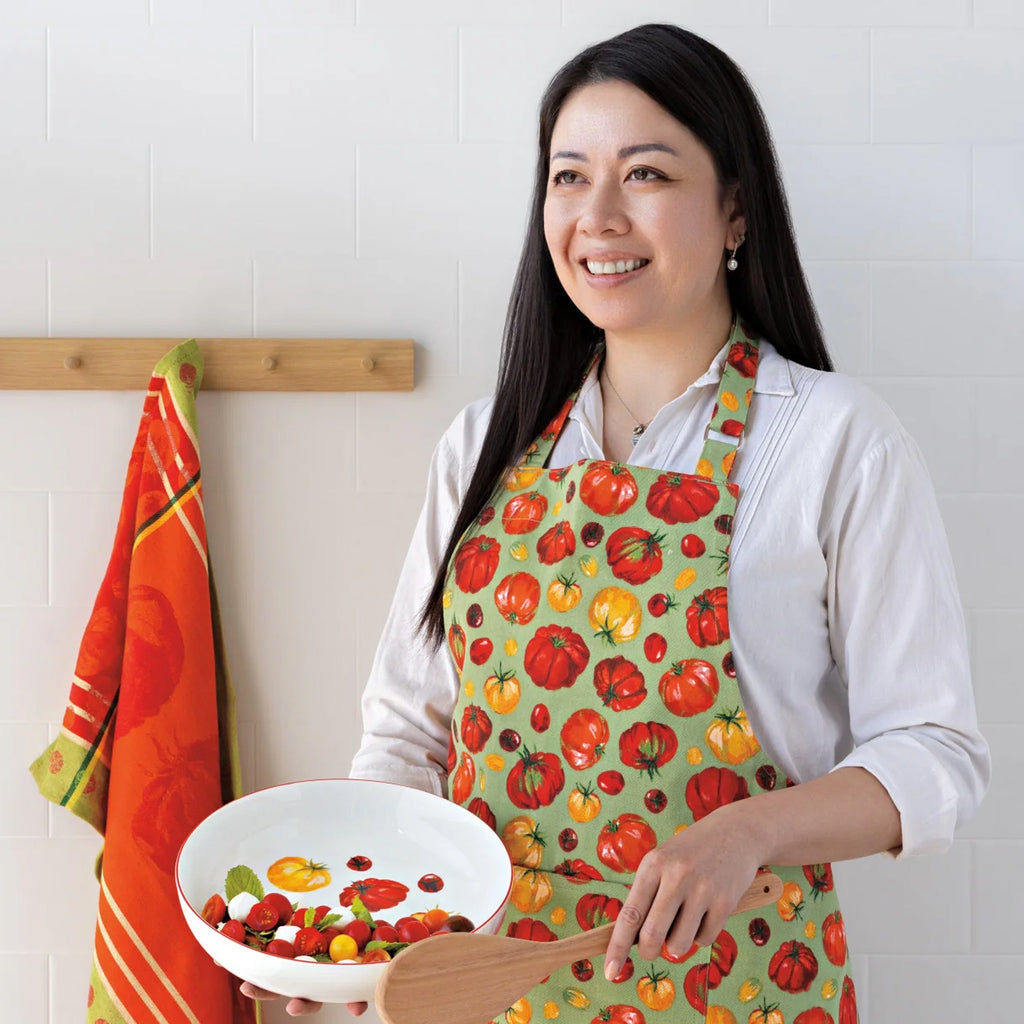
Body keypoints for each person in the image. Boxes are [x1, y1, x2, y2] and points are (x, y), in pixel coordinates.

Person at [243, 22, 990, 1020]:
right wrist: (357, 940)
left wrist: (750, 831)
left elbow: (934, 751)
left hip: (744, 993)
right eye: (567, 177)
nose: (595, 216)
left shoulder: (835, 440)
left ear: (734, 210)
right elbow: (407, 737)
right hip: (487, 994)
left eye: (644, 174)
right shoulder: (484, 444)